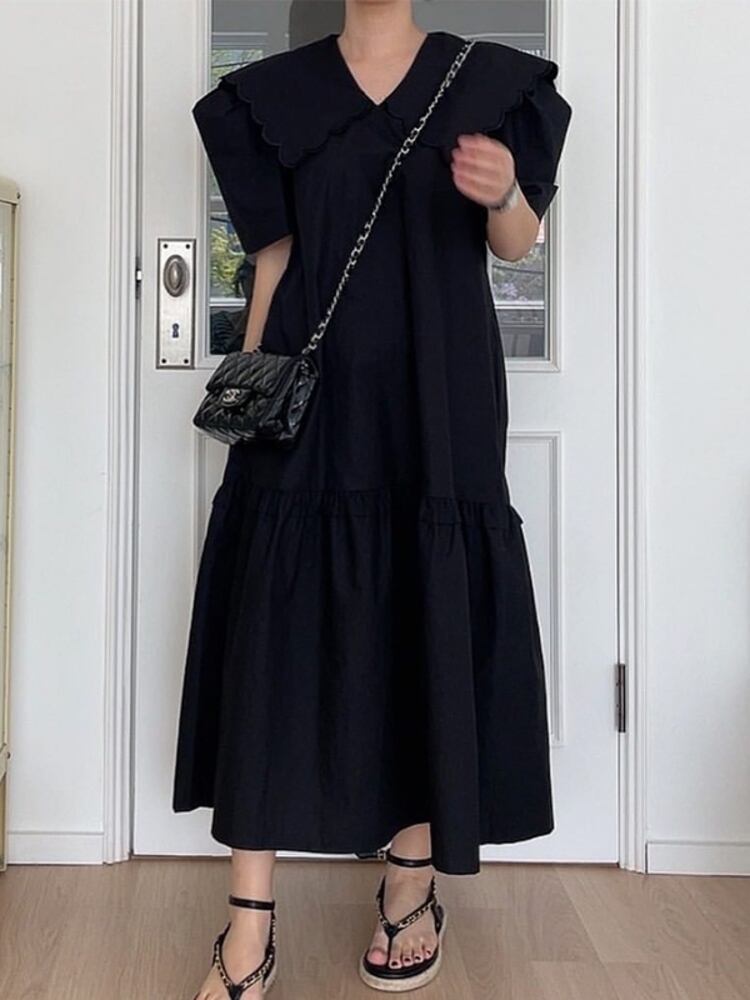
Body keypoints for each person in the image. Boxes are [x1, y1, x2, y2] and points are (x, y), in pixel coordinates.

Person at [172, 1, 572, 996]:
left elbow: (515, 245)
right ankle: (249, 920)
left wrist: (505, 191)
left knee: (427, 610)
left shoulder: (496, 84)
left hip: (441, 398)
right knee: (274, 628)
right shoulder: (268, 97)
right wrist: (255, 404)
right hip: (313, 398)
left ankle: (410, 876)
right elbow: (274, 261)